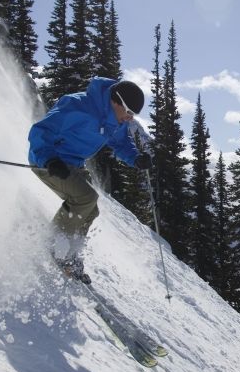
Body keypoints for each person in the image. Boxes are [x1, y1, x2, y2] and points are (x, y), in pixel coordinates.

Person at [28, 78, 152, 284]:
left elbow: (121, 142)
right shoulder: (77, 106)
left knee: (90, 210)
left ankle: (69, 254)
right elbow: (41, 131)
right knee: (85, 198)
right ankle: (53, 246)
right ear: (116, 101)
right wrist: (48, 158)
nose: (130, 118)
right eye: (129, 111)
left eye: (133, 115)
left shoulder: (115, 119)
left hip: (73, 165)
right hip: (50, 162)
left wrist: (136, 158)